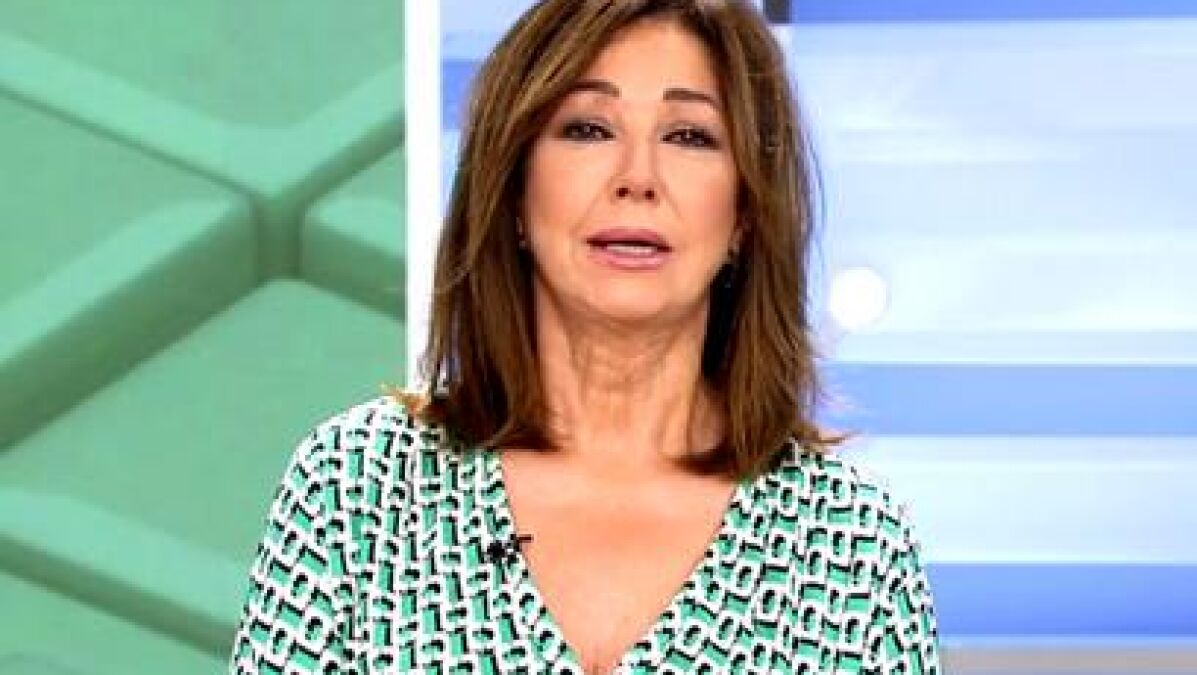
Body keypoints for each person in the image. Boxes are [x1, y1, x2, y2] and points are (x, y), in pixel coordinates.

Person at [229, 0, 941, 672]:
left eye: (689, 136)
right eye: (589, 129)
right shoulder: (356, 489)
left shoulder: (850, 544)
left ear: (746, 214)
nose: (638, 178)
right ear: (513, 189)